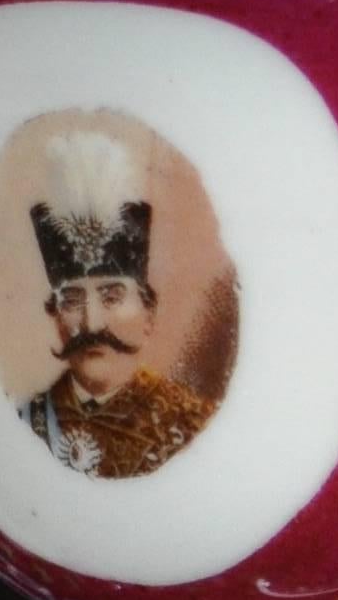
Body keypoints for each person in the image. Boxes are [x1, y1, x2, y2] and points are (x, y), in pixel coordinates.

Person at [16, 129, 233, 479]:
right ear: (55, 316)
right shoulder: (25, 422)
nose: (92, 323)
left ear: (149, 313)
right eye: (72, 299)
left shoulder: (192, 423)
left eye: (112, 296)